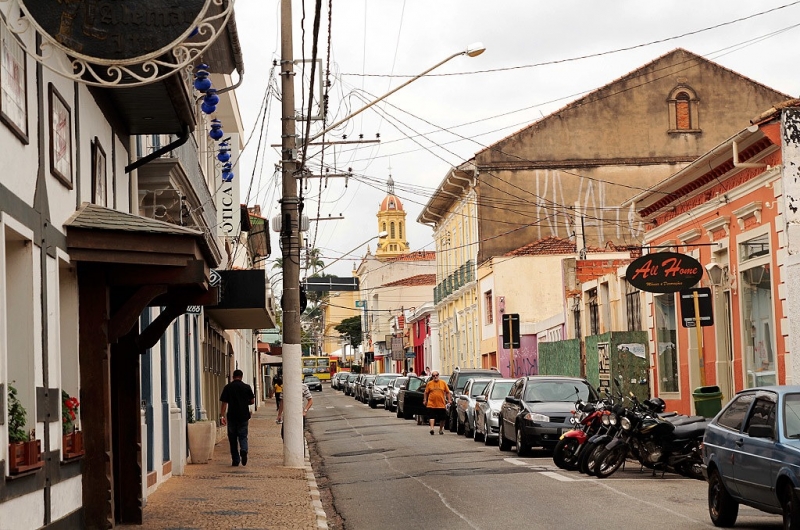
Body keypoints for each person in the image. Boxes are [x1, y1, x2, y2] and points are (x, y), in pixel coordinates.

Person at [219, 369, 255, 466]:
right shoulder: (246, 387)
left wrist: (222, 415)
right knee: (243, 436)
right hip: (243, 415)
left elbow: (224, 403)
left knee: (233, 438)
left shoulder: (228, 387)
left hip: (232, 416)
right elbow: (252, 401)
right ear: (241, 376)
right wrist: (244, 402)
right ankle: (244, 449)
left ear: (233, 377)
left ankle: (235, 460)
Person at [423, 371, 451, 435]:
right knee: (431, 416)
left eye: (436, 375)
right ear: (432, 377)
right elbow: (426, 393)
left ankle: (440, 429)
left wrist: (449, 400)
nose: (435, 376)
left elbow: (447, 392)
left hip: (441, 404)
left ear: (438, 375)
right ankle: (432, 429)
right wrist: (425, 400)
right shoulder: (429, 383)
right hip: (431, 404)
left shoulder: (443, 383)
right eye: (434, 375)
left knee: (443, 418)